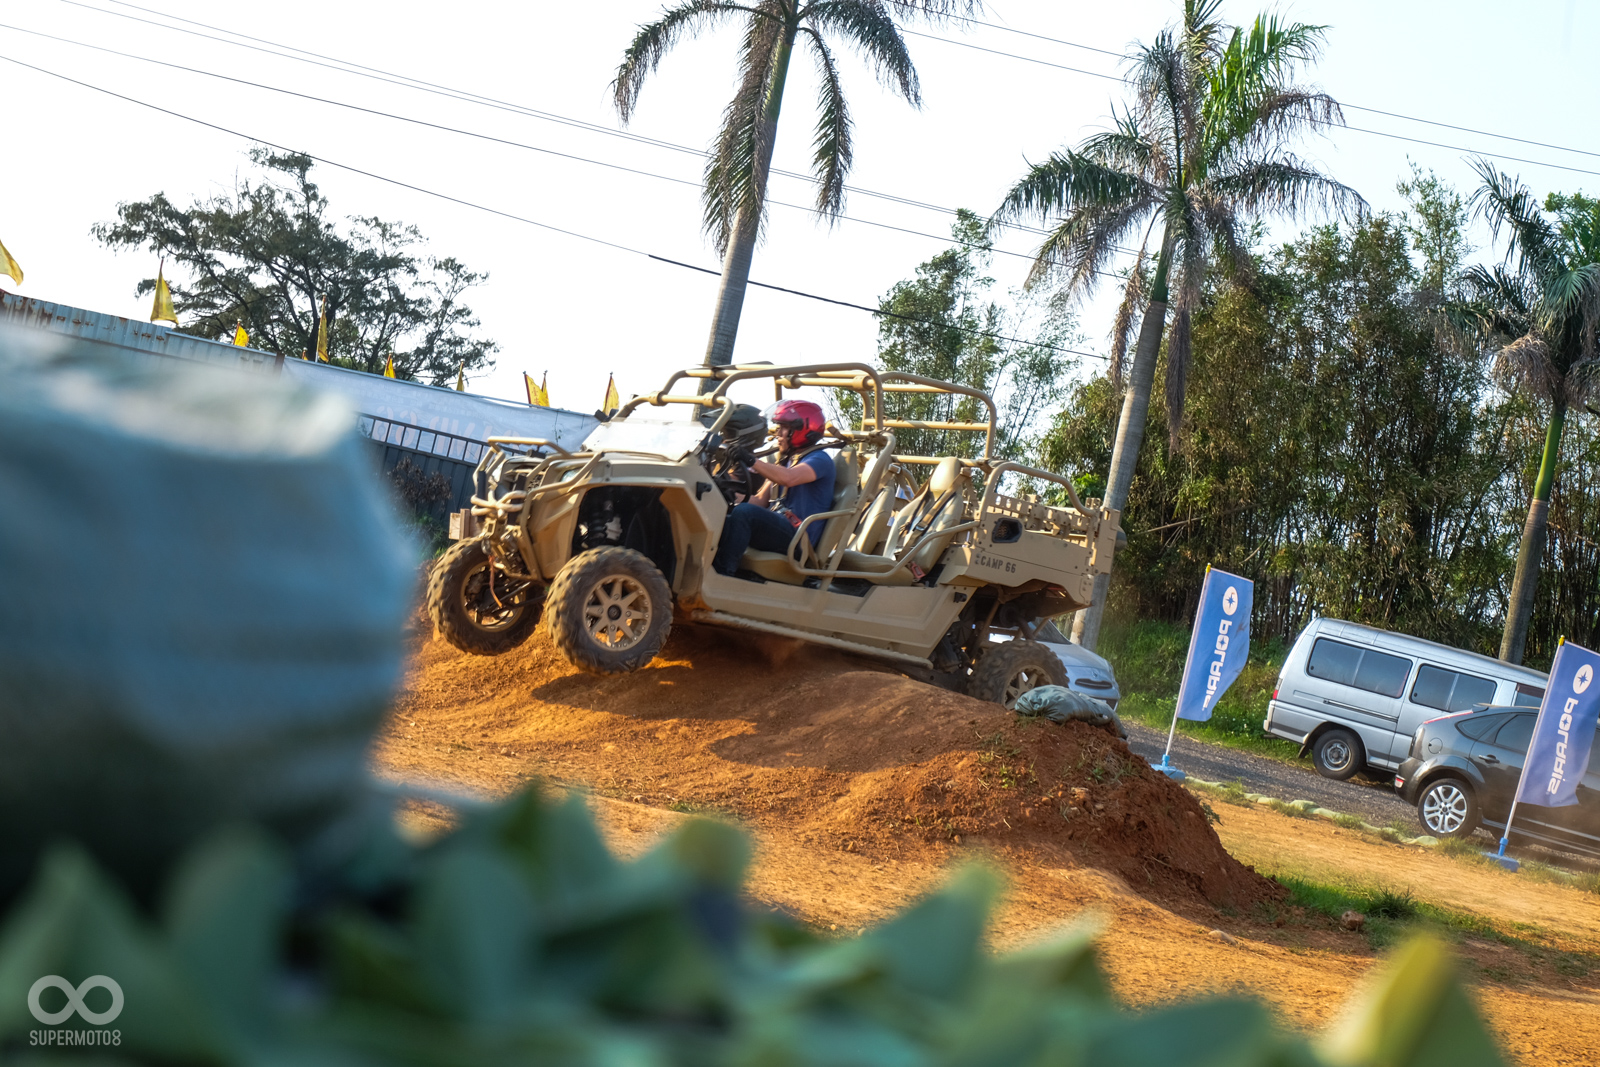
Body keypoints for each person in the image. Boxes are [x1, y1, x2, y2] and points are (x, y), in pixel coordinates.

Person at [712, 399, 835, 577]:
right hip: (781, 527)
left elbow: (789, 478)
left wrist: (750, 459)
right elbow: (759, 501)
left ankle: (722, 575)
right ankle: (708, 567)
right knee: (728, 513)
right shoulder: (786, 462)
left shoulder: (820, 459)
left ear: (801, 430)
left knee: (745, 514)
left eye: (783, 427)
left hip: (799, 538)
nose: (777, 433)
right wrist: (722, 490)